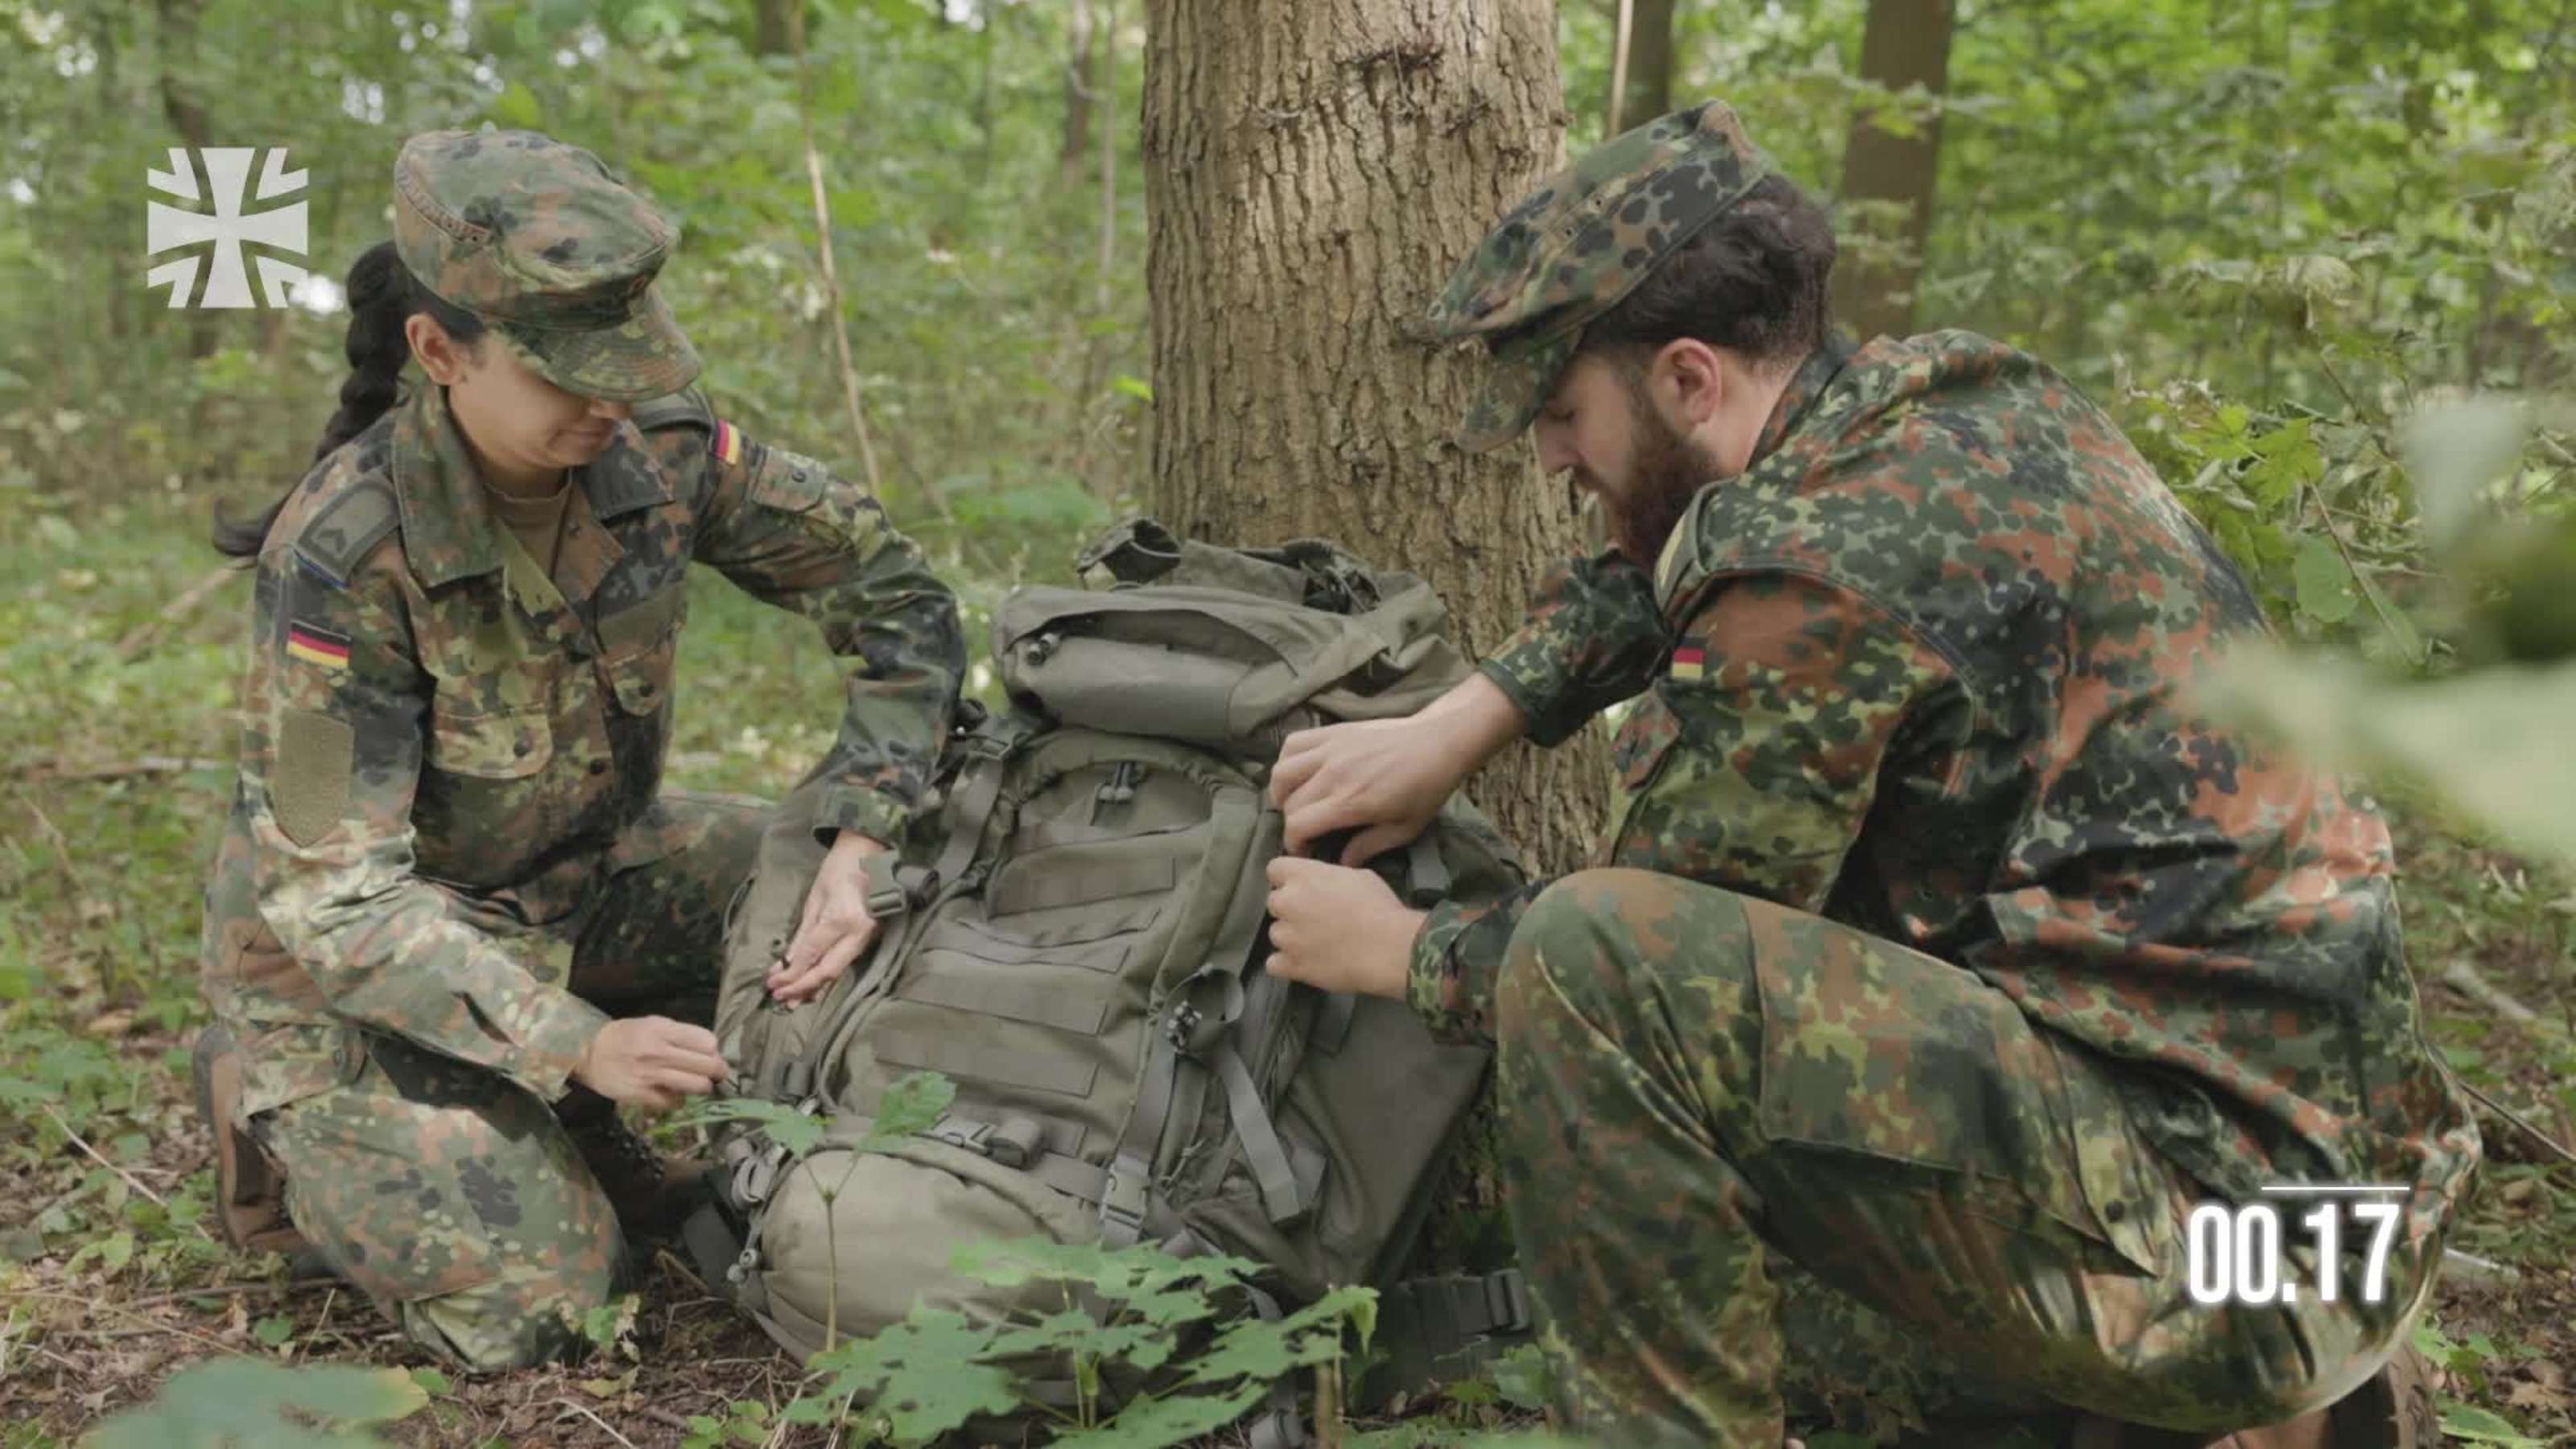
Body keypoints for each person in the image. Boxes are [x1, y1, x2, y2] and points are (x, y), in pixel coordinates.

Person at [1258, 101, 2475, 1448]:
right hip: (2356, 1214)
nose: (1548, 457)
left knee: (1595, 968)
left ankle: (2223, 1403)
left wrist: (1401, 953)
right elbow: (1691, 552)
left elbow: (1627, 975)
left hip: (2233, 1265)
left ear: (1686, 379)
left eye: (1560, 412)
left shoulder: (1818, 577)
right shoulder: (1950, 407)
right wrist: (1473, 715)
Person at [190, 127, 964, 1371]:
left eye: (629, 364)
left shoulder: (656, 446)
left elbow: (894, 596)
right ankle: (270, 1100)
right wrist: (577, 1045)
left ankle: (549, 1102)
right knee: (551, 1311)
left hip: (573, 879)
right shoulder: (340, 560)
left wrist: (862, 829)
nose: (610, 404)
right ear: (440, 352)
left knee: (903, 912)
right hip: (354, 966)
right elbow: (328, 896)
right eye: (568, 377)